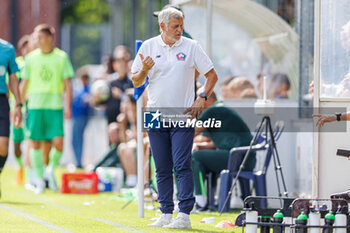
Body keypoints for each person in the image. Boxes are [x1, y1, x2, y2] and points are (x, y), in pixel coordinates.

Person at [131, 7, 218, 228]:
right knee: (160, 166)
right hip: (154, 114)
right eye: (175, 26)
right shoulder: (148, 46)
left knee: (181, 164)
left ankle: (185, 215)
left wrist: (202, 96)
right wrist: (144, 71)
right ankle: (166, 213)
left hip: (183, 115)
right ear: (162, 26)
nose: (180, 30)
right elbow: (136, 81)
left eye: (181, 25)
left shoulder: (192, 47)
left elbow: (212, 75)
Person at [21, 24, 74, 193]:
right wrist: (19, 106)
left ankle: (50, 170)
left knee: (58, 143)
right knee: (35, 143)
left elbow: (68, 85)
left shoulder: (61, 57)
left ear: (50, 37)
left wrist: (68, 107)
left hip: (54, 106)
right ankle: (39, 179)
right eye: (36, 37)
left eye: (40, 37)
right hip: (35, 107)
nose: (37, 40)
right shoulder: (30, 58)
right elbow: (24, 84)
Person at [192, 91, 256, 209]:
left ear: (204, 100)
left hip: (237, 158)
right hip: (245, 158)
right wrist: (200, 146)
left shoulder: (213, 110)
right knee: (198, 154)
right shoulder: (221, 109)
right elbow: (213, 144)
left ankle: (200, 200)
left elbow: (193, 132)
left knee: (195, 157)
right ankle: (205, 200)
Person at [7, 35, 32, 185]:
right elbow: (10, 85)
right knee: (17, 144)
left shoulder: (35, 63)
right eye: (26, 48)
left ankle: (30, 174)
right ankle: (20, 166)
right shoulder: (16, 65)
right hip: (16, 109)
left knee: (31, 141)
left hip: (31, 107)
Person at [0, 38, 22, 197]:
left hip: (2, 100)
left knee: (3, 146)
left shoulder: (7, 48)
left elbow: (13, 78)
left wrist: (19, 104)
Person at [105, 46, 133, 124]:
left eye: (123, 62)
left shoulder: (131, 81)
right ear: (114, 65)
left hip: (126, 121)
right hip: (111, 120)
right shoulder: (110, 81)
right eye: (118, 62)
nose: (121, 65)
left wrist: (121, 95)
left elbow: (134, 100)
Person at [71, 68, 91, 168]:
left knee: (79, 140)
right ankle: (77, 161)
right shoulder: (78, 89)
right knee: (74, 140)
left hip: (82, 117)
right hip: (75, 116)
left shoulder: (88, 89)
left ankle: (79, 162)